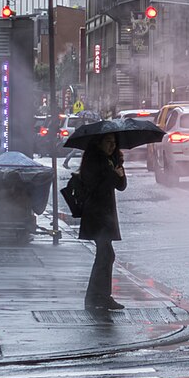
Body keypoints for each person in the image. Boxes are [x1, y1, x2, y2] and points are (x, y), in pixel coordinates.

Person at [79, 133, 127, 311]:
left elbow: (121, 186)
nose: (112, 146)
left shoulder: (112, 160)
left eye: (114, 142)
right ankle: (97, 297)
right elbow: (96, 188)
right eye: (108, 142)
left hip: (106, 215)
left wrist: (120, 170)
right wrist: (113, 175)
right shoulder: (93, 161)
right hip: (96, 215)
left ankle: (99, 296)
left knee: (106, 256)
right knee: (105, 255)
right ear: (99, 144)